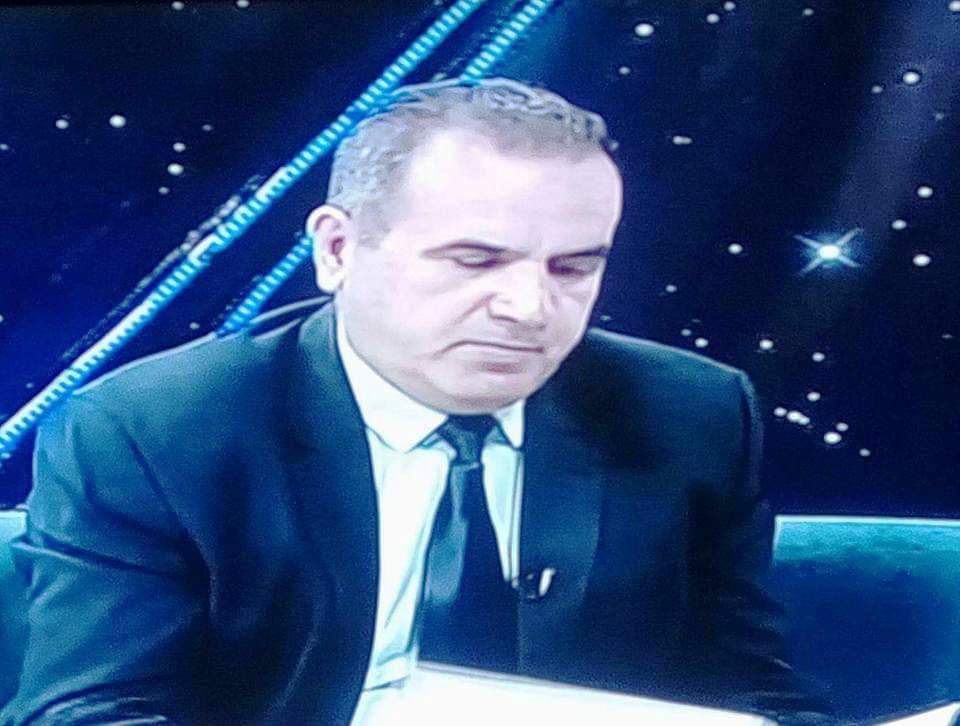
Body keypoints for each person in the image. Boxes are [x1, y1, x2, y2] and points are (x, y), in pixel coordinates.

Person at [2, 77, 832, 725]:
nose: (530, 309)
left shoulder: (692, 414)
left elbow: (743, 688)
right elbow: (89, 711)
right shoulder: (152, 431)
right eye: (475, 261)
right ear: (338, 248)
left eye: (574, 268)